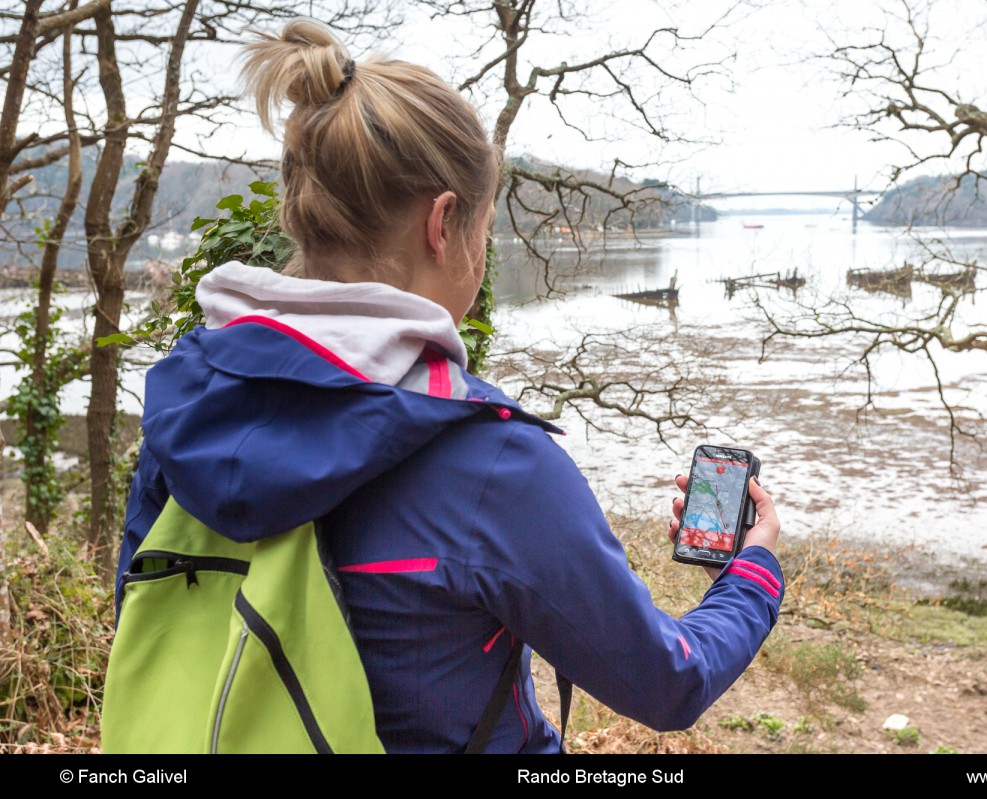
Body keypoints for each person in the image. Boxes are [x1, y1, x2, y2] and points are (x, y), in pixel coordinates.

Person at [115, 19, 783, 754]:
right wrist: (754, 569)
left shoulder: (190, 411)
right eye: (484, 228)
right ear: (443, 224)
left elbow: (147, 628)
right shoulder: (495, 467)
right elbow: (668, 682)